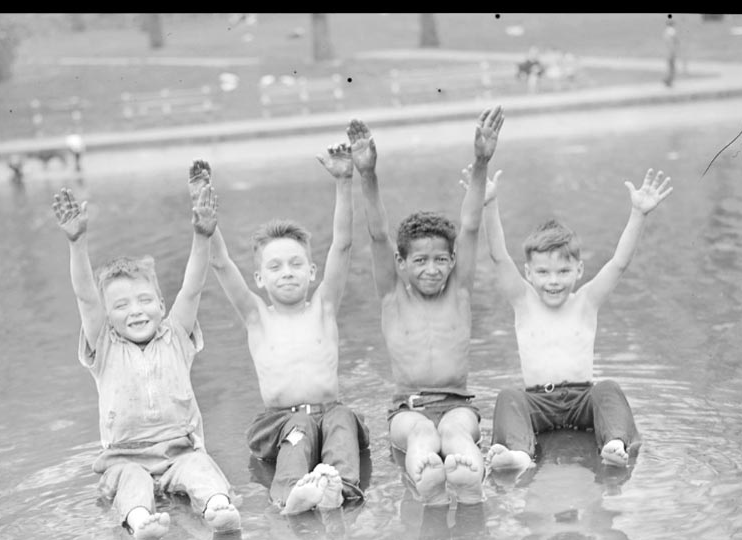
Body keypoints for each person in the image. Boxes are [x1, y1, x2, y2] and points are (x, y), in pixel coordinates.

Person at [51, 183, 241, 540]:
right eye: (121, 306)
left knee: (202, 470)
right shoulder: (104, 345)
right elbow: (85, 297)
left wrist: (202, 237)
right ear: (107, 318)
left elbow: (193, 288)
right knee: (132, 483)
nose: (135, 310)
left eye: (143, 300)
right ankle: (141, 522)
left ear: (160, 304)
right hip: (126, 458)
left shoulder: (175, 335)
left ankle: (218, 508)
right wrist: (77, 243)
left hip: (179, 453)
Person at [188, 149, 369, 516]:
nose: (286, 272)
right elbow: (221, 264)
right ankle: (290, 496)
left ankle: (340, 489)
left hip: (328, 414)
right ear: (260, 278)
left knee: (341, 418)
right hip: (281, 424)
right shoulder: (257, 316)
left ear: (312, 271)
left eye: (295, 264)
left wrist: (343, 182)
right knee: (300, 424)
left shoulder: (324, 307)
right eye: (275, 266)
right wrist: (203, 211)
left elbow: (343, 244)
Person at [347, 105, 504, 507]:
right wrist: (368, 175)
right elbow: (378, 235)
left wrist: (481, 160)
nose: (432, 269)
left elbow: (469, 225)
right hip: (408, 409)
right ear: (402, 264)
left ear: (452, 261)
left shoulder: (460, 291)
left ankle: (468, 479)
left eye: (440, 259)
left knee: (454, 434)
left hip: (457, 404)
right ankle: (429, 478)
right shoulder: (391, 297)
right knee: (421, 436)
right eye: (420, 261)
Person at [480, 167, 673, 473]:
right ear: (529, 273)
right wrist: (489, 205)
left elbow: (619, 263)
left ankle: (615, 443)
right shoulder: (523, 301)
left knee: (608, 389)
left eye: (563, 272)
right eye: (543, 272)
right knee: (508, 397)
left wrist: (638, 213)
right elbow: (499, 257)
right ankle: (519, 453)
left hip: (583, 399)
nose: (553, 281)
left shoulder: (586, 301)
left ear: (579, 270)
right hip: (537, 403)